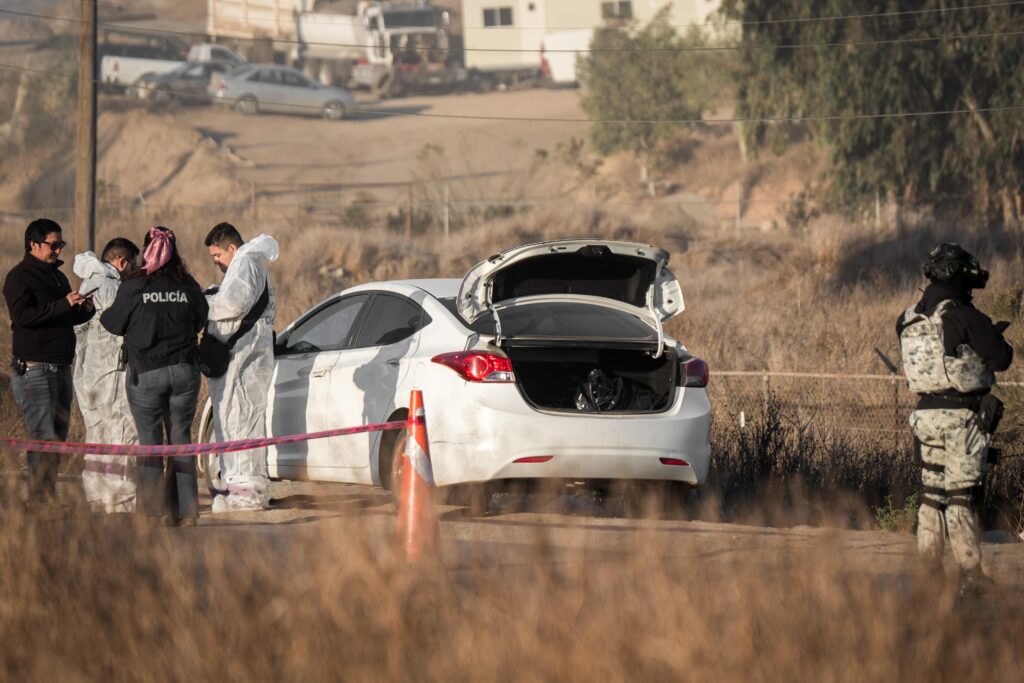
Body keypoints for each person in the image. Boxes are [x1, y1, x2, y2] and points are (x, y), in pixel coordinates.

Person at [896, 243, 1013, 596]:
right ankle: (970, 575)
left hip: (924, 415)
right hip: (962, 417)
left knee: (931, 494)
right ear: (958, 275)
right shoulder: (962, 315)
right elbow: (1001, 358)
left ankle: (928, 573)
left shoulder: (908, 317)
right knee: (962, 494)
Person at [100, 227, 208, 526]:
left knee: (150, 441)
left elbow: (114, 323)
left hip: (146, 373)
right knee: (180, 439)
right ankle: (185, 512)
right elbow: (201, 319)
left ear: (146, 250)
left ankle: (151, 513)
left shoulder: (134, 285)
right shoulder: (187, 284)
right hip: (185, 371)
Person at [3, 218, 95, 509]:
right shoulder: (19, 277)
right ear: (33, 244)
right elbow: (23, 317)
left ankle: (47, 495)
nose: (57, 250)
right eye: (53, 245)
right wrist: (62, 304)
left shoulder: (58, 278)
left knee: (57, 437)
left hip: (60, 368)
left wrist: (84, 310)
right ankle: (39, 499)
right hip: (34, 370)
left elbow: (64, 317)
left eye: (60, 245)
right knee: (42, 436)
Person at [204, 222, 278, 512]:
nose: (217, 262)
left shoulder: (245, 264)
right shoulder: (247, 264)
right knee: (239, 425)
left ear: (232, 248)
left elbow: (232, 304)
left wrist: (201, 303)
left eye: (217, 256)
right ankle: (242, 491)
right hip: (243, 362)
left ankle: (247, 496)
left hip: (244, 363)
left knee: (242, 426)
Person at [73, 238, 141, 513]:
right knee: (122, 434)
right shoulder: (111, 287)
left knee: (97, 435)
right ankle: (120, 501)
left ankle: (98, 497)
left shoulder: (89, 283)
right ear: (122, 262)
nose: (134, 270)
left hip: (90, 374)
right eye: (133, 264)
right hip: (112, 373)